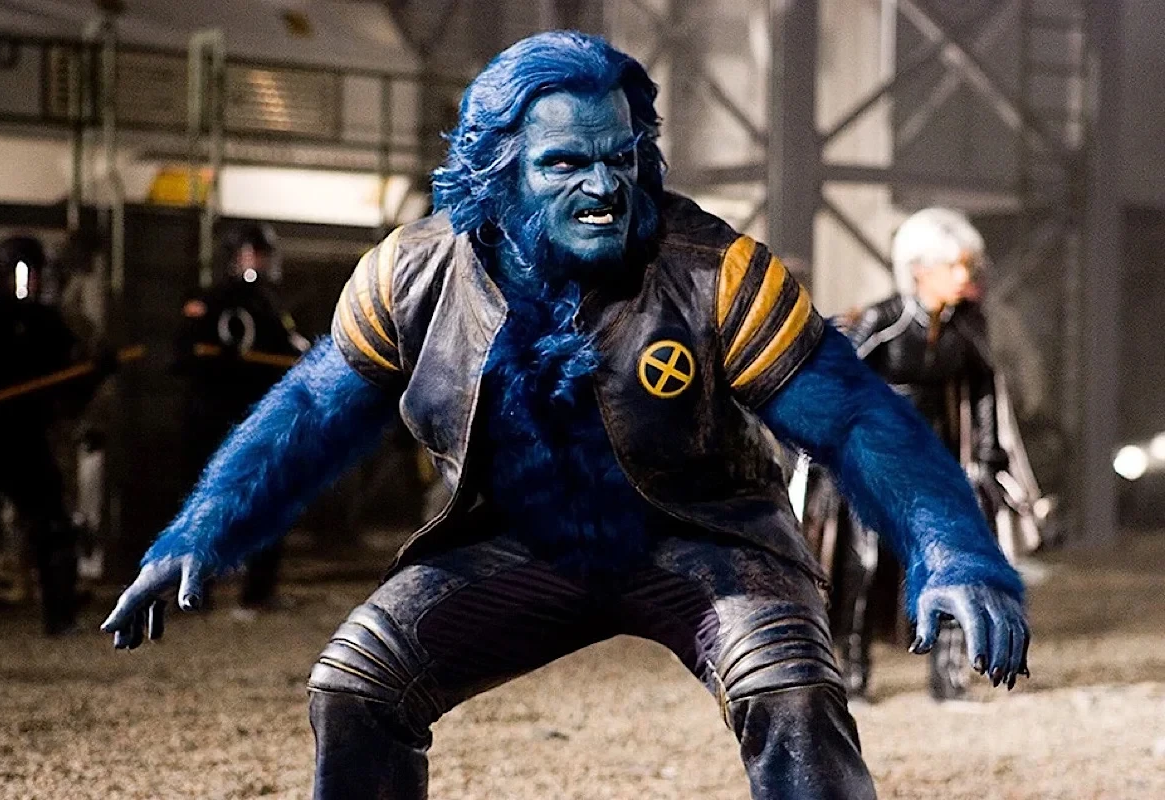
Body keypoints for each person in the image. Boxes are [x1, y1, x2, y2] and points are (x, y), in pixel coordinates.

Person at [103, 33, 1029, 799]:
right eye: (564, 163)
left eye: (620, 157)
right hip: (512, 542)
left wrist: (953, 552)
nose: (604, 186)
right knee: (355, 687)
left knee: (789, 689)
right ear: (497, 172)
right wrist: (200, 533)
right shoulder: (409, 276)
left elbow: (855, 418)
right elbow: (310, 410)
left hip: (704, 536)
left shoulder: (716, 272)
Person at [815, 207, 1037, 701]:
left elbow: (984, 388)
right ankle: (852, 676)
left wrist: (987, 456)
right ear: (919, 269)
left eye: (967, 265)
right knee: (863, 567)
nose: (964, 276)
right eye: (953, 265)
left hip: (939, 468)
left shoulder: (967, 327)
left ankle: (949, 679)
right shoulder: (883, 320)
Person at [0, 234, 106, 635]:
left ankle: (60, 615)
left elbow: (70, 390)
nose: (27, 283)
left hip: (24, 438)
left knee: (54, 524)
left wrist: (94, 372)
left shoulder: (51, 325)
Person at [173, 221, 309, 616]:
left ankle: (258, 591)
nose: (256, 265)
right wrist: (218, 358)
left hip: (255, 421)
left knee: (270, 501)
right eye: (249, 256)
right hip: (211, 421)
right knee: (206, 507)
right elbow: (184, 354)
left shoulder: (270, 306)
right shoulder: (209, 301)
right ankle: (195, 592)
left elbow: (290, 352)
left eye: (261, 257)